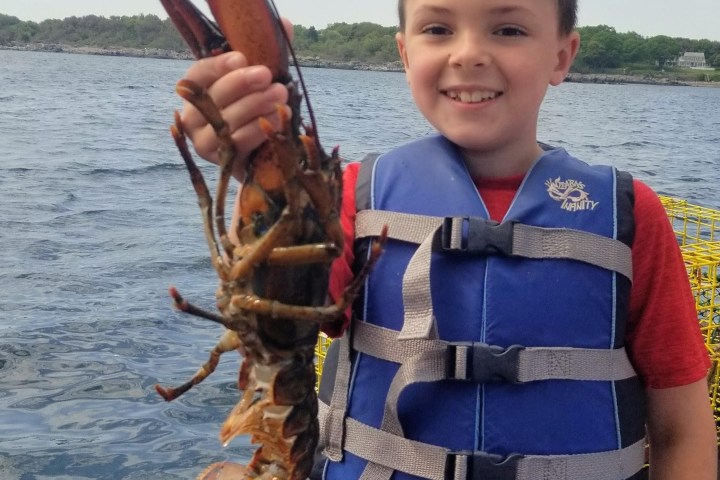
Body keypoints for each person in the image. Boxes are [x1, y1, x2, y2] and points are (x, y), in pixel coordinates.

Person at [177, 0, 717, 479]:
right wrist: (249, 157)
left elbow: (683, 428)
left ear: (562, 54)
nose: (469, 54)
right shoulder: (352, 198)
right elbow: (278, 320)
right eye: (437, 28)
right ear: (405, 52)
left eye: (508, 29)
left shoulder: (630, 214)